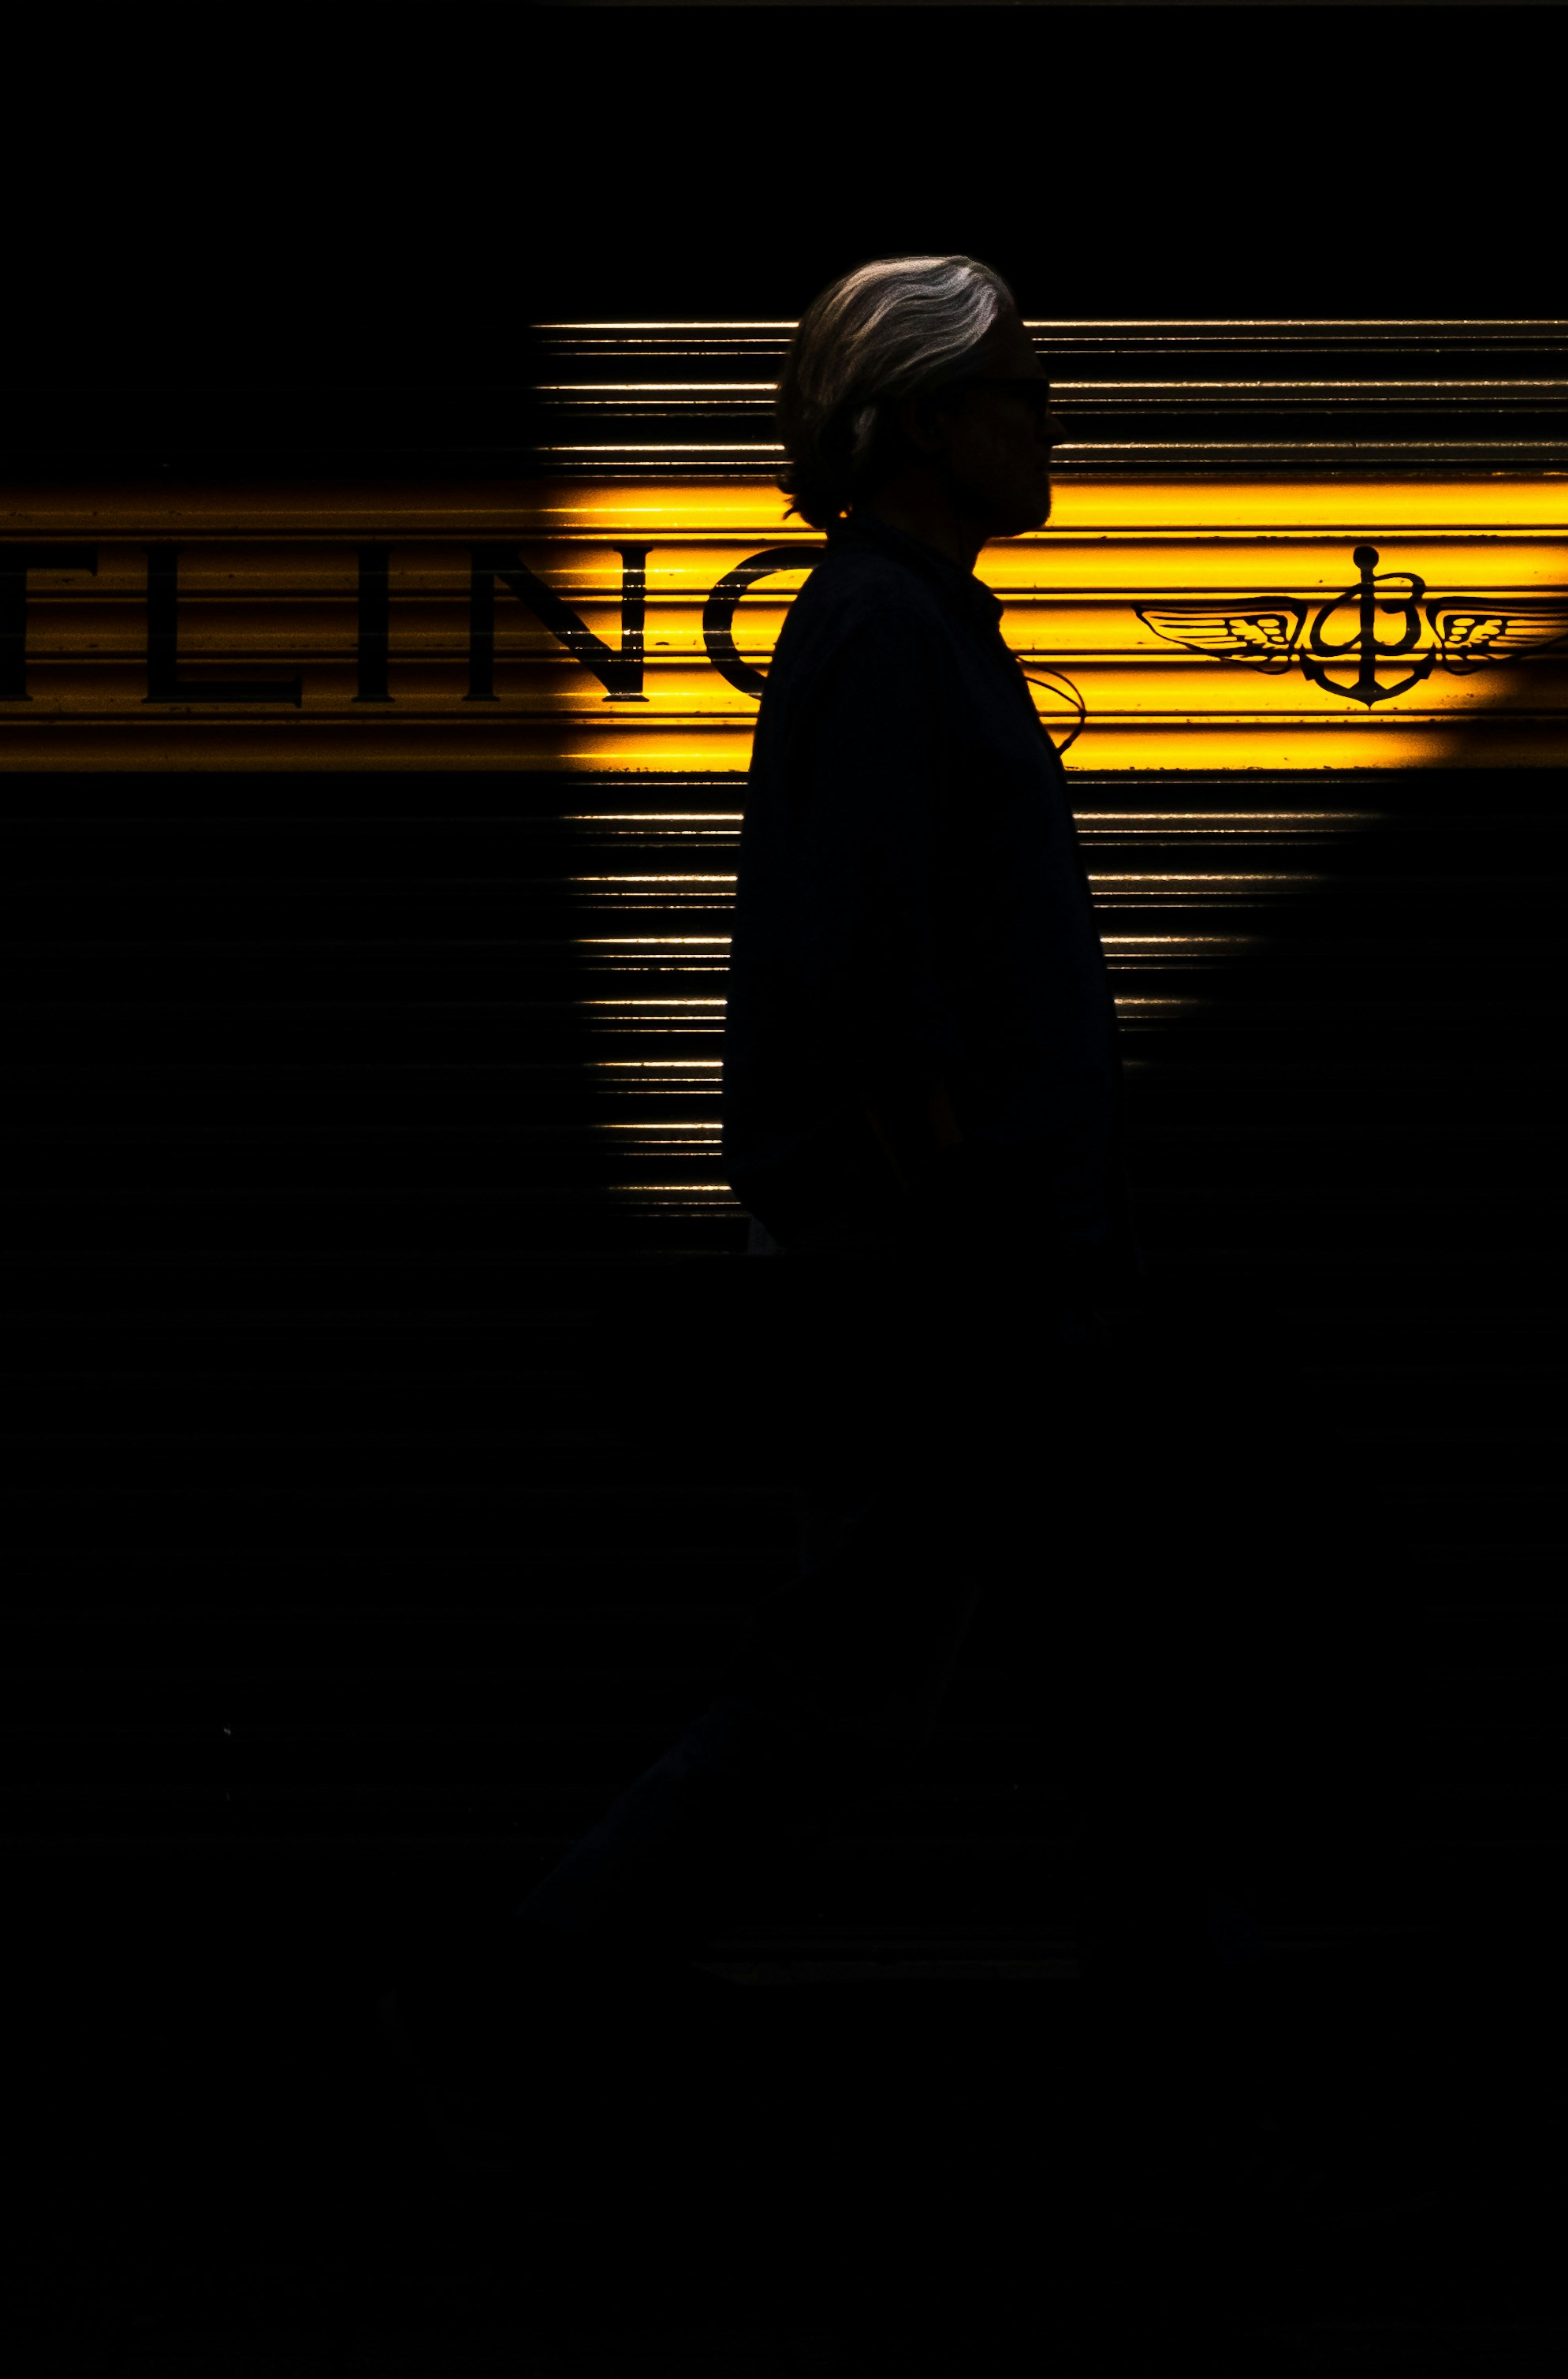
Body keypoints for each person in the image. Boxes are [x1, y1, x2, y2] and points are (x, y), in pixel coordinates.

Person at [388, 257, 1298, 2218]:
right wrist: (974, 1236)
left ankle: (1196, 2074)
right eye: (1022, 394)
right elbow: (867, 981)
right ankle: (526, 2012)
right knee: (907, 1688)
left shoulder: (917, 627)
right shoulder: (884, 636)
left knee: (1072, 1676)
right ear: (918, 420)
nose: (1052, 425)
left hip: (987, 1272)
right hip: (961, 1291)